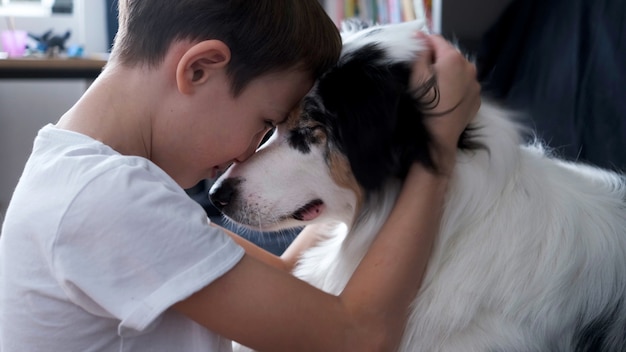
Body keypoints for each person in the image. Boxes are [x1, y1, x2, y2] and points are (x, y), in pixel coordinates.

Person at [0, 0, 481, 351]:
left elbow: (286, 275)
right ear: (201, 69)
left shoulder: (78, 174)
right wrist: (435, 145)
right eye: (266, 124)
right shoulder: (107, 201)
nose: (248, 156)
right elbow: (358, 337)